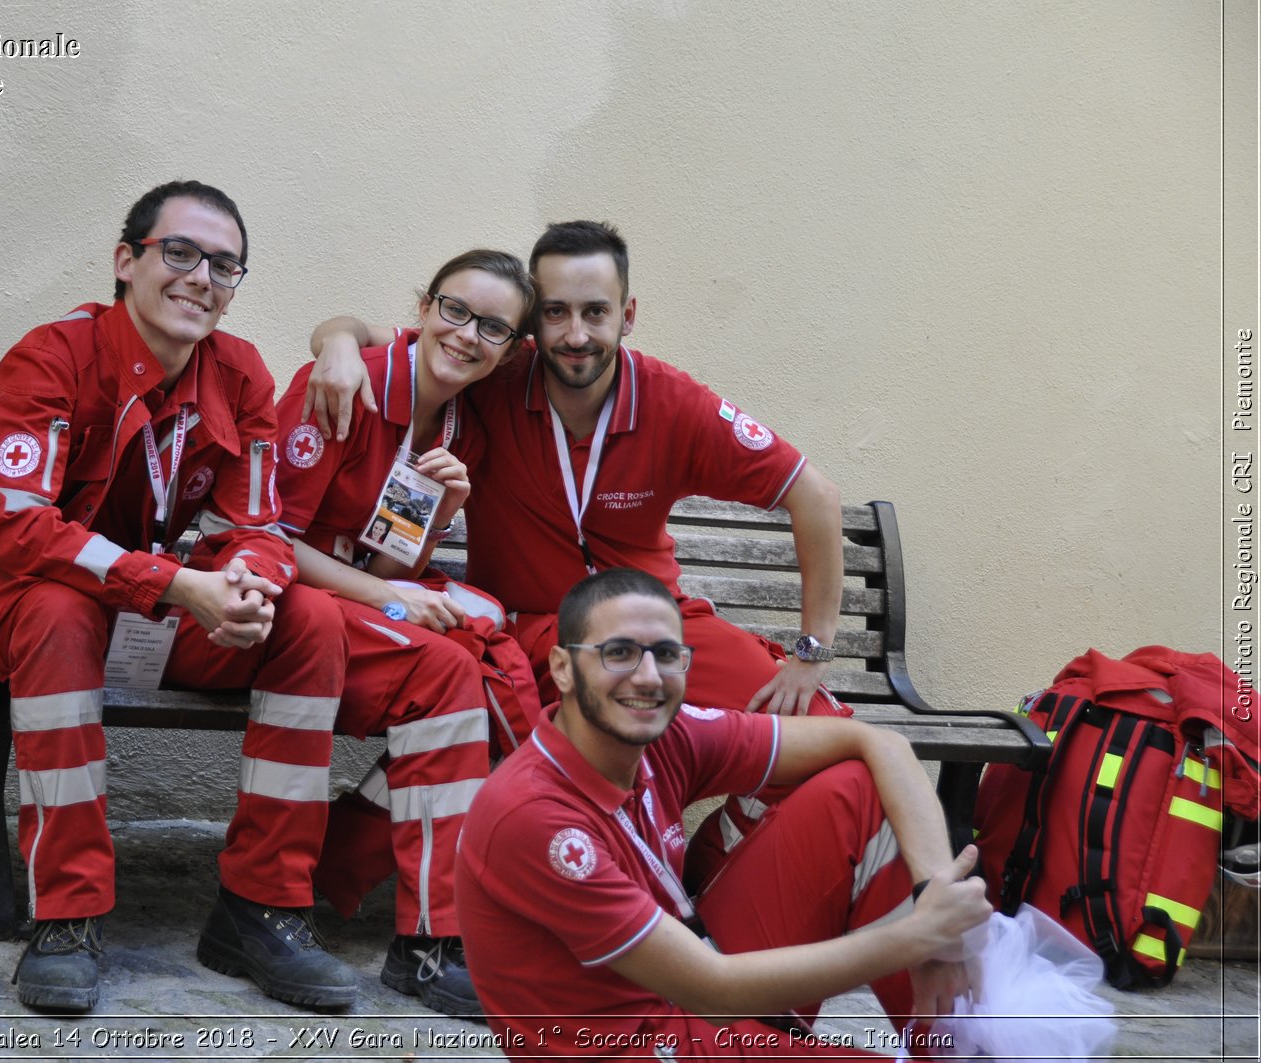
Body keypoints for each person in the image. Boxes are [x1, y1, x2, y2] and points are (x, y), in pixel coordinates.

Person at [0, 180, 357, 1014]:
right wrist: (177, 583)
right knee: (61, 610)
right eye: (178, 253)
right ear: (126, 262)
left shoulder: (240, 370)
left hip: (141, 600)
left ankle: (263, 905)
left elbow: (255, 518)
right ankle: (66, 916)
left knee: (309, 617)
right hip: (20, 596)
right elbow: (16, 528)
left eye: (224, 264)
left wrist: (250, 583)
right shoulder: (51, 355)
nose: (200, 277)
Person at [306, 220, 847, 886]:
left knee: (819, 734)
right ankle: (341, 870)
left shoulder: (673, 402)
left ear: (629, 314)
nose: (576, 334)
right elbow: (374, 336)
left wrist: (810, 653)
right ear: (532, 322)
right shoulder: (497, 371)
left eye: (596, 312)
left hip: (658, 628)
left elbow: (815, 496)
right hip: (532, 628)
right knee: (506, 714)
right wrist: (333, 340)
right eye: (556, 313)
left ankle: (704, 876)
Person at [455, 569, 992, 1060]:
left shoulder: (663, 733)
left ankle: (951, 1045)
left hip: (686, 984)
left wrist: (933, 902)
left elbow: (879, 744)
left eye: (666, 654)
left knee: (854, 787)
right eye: (618, 652)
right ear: (562, 669)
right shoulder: (534, 817)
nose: (647, 677)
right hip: (641, 1039)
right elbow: (713, 991)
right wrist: (919, 935)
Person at [271, 249, 542, 1015]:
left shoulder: (458, 429)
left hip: (352, 601)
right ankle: (425, 924)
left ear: (511, 348)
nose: (467, 335)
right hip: (285, 604)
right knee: (458, 668)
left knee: (483, 641)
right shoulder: (345, 380)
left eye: (493, 327)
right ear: (424, 306)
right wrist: (393, 600)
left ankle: (382, 883)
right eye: (455, 310)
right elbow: (269, 539)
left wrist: (440, 506)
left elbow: (386, 555)